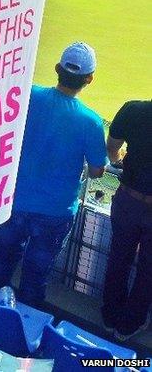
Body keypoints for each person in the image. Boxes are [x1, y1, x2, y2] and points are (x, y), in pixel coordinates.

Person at [0, 42, 107, 306]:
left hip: (14, 201)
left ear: (57, 69)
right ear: (89, 79)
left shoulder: (28, 95)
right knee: (35, 275)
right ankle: (23, 327)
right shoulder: (91, 121)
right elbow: (98, 170)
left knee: (3, 261)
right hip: (55, 212)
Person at [101, 100, 152, 341]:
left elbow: (112, 148)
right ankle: (129, 325)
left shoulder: (133, 110)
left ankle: (110, 316)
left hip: (128, 201)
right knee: (148, 270)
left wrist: (120, 159)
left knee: (119, 258)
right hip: (133, 203)